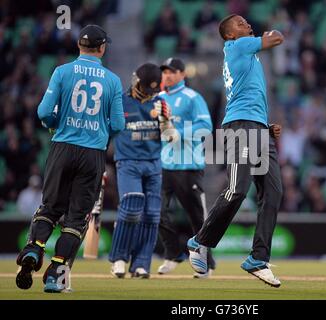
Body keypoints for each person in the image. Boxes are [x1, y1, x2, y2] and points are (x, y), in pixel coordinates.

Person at [15, 24, 125, 293]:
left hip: (62, 146)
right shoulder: (112, 79)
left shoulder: (62, 72)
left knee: (50, 207)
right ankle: (55, 275)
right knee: (76, 218)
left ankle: (33, 249)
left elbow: (43, 112)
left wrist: (55, 123)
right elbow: (119, 124)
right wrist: (100, 134)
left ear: (79, 46)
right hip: (92, 153)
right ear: (102, 48)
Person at [187, 15, 284, 287]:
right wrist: (273, 27)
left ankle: (258, 259)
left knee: (273, 192)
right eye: (241, 24)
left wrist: (264, 127)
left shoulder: (246, 54)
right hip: (240, 127)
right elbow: (277, 37)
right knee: (237, 190)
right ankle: (199, 242)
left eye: (246, 23)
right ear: (230, 35)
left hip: (255, 127)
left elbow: (249, 95)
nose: (247, 26)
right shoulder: (238, 46)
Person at [109, 63, 173, 279]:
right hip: (128, 162)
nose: (148, 94)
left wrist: (165, 121)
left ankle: (141, 263)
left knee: (152, 214)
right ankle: (119, 258)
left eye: (151, 90)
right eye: (145, 88)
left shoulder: (160, 102)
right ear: (137, 82)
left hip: (154, 163)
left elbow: (169, 136)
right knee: (131, 208)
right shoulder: (120, 101)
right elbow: (109, 130)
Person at [156, 57, 215, 278]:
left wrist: (178, 134)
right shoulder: (159, 98)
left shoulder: (193, 97)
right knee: (156, 211)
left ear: (182, 74)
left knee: (197, 217)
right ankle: (173, 254)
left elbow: (205, 127)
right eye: (165, 72)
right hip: (164, 164)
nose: (168, 75)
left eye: (172, 71)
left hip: (188, 165)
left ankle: (205, 265)